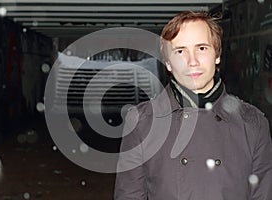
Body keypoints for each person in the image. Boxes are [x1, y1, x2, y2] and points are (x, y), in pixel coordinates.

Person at [114, 11, 272, 200]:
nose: (192, 61)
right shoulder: (142, 123)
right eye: (180, 51)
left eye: (202, 48)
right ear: (168, 63)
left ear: (217, 55)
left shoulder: (253, 123)